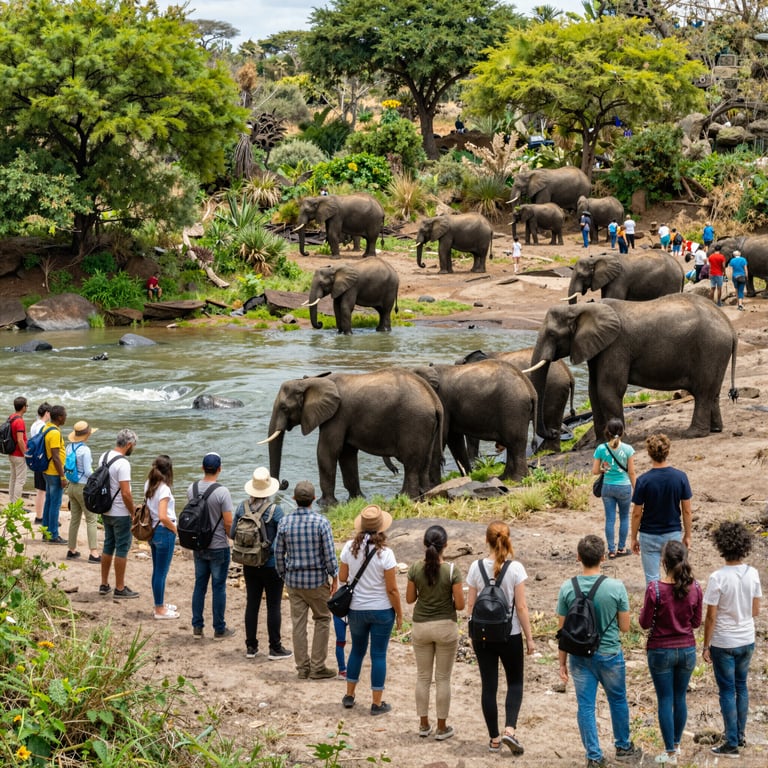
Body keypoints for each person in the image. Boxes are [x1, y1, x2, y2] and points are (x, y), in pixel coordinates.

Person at [557, 534, 641, 767]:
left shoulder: (567, 587)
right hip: (609, 654)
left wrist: (561, 663)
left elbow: (562, 631)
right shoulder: (616, 587)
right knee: (617, 700)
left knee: (585, 706)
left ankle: (594, 757)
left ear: (578, 558)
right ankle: (623, 746)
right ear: (603, 558)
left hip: (578, 656)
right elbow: (625, 628)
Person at [466, 521, 534, 754]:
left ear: (487, 540)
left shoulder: (475, 567)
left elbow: (471, 606)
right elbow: (522, 607)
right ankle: (509, 730)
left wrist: (471, 633)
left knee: (489, 686)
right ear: (508, 540)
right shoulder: (516, 569)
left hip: (482, 635)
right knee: (515, 682)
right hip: (510, 633)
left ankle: (494, 739)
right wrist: (530, 639)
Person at [638, 541, 702, 765]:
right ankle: (676, 745)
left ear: (663, 562)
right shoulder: (695, 588)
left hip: (660, 650)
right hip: (686, 649)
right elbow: (695, 622)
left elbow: (645, 624)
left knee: (665, 699)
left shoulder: (655, 589)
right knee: (680, 697)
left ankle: (670, 753)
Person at [702, 521, 762, 759]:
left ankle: (731, 741)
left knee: (727, 690)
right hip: (746, 637)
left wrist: (706, 645)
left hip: (724, 641)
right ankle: (741, 734)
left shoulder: (717, 577)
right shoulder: (753, 573)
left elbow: (710, 616)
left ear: (721, 546)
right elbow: (755, 610)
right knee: (742, 686)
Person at [339, 504, 402, 714]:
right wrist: (400, 614)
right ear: (381, 528)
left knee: (356, 650)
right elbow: (392, 589)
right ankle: (376, 703)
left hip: (356, 609)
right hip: (382, 610)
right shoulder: (386, 553)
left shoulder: (349, 548)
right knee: (378, 655)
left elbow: (341, 578)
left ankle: (349, 695)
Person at [274, 480, 338, 679]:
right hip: (317, 581)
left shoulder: (285, 522)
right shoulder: (321, 522)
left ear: (294, 499)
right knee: (323, 619)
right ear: (314, 499)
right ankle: (318, 667)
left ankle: (303, 668)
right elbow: (329, 555)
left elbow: (278, 554)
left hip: (294, 581)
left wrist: (284, 575)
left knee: (298, 624)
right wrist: (334, 576)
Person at [406, 524, 464, 741]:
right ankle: (441, 727)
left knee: (422, 677)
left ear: (424, 544)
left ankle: (423, 724)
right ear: (445, 545)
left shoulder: (414, 569)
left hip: (421, 627)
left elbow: (410, 599)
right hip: (446, 627)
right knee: (442, 679)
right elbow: (459, 605)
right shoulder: (451, 570)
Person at [231, 466, 292, 660]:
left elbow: (233, 534)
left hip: (249, 563)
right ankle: (275, 648)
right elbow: (283, 539)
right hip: (271, 565)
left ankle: (251, 647)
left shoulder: (242, 507)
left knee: (252, 603)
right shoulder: (276, 510)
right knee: (273, 606)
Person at [631, 433, 692, 585]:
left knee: (652, 580)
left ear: (649, 454)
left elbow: (637, 513)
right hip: (673, 533)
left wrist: (633, 537)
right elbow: (686, 511)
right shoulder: (680, 477)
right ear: (667, 452)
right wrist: (688, 535)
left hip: (649, 534)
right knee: (675, 577)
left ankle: (656, 607)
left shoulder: (643, 481)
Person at [189, 452, 235, 638]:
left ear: (202, 468)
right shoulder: (222, 492)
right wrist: (231, 538)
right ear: (219, 469)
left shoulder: (191, 488)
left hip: (199, 545)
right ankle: (219, 628)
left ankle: (197, 627)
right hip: (218, 547)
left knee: (199, 585)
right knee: (219, 587)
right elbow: (228, 523)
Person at [99, 429, 140, 598]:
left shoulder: (104, 456)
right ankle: (120, 587)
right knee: (122, 548)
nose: (133, 449)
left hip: (105, 508)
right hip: (120, 512)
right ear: (129, 444)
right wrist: (133, 513)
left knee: (108, 545)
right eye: (134, 446)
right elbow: (125, 493)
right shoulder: (123, 463)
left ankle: (104, 583)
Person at [591, 418, 636, 559]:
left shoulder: (601, 448)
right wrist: (637, 488)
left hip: (607, 487)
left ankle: (611, 550)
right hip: (624, 487)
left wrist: (604, 470)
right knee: (624, 518)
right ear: (622, 432)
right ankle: (622, 548)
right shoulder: (628, 449)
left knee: (610, 519)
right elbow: (631, 472)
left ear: (607, 432)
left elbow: (595, 471)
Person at [144, 455, 178, 619]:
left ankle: (160, 603)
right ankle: (159, 609)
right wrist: (175, 530)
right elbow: (164, 516)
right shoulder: (164, 489)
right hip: (164, 531)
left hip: (153, 531)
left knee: (157, 570)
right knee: (161, 572)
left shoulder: (148, 484)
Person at [65, 420, 100, 562]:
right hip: (83, 487)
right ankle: (94, 553)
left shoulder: (69, 447)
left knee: (75, 519)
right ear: (86, 435)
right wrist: (97, 479)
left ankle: (71, 549)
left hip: (71, 486)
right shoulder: (85, 450)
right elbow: (87, 471)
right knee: (91, 519)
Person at [42, 404, 68, 544]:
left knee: (49, 501)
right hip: (54, 472)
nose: (66, 418)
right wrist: (62, 476)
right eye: (65, 415)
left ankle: (45, 532)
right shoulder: (55, 433)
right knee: (55, 504)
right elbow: (56, 456)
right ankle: (53, 534)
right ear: (59, 417)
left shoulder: (46, 427)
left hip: (47, 470)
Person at [30, 402, 51, 524]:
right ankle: (40, 517)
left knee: (40, 489)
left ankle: (39, 516)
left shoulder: (34, 424)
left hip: (35, 459)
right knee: (43, 490)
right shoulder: (42, 426)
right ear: (47, 413)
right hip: (42, 460)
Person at [6, 396, 28, 504]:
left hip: (11, 452)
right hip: (19, 454)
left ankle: (11, 502)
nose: (27, 407)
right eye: (26, 405)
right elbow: (20, 440)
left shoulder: (11, 417)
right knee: (20, 480)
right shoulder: (19, 421)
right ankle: (16, 505)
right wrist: (26, 453)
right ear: (23, 407)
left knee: (13, 478)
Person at [333, 615, 348, 679]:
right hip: (354, 612)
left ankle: (342, 670)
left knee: (340, 643)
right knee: (340, 643)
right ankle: (343, 670)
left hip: (338, 612)